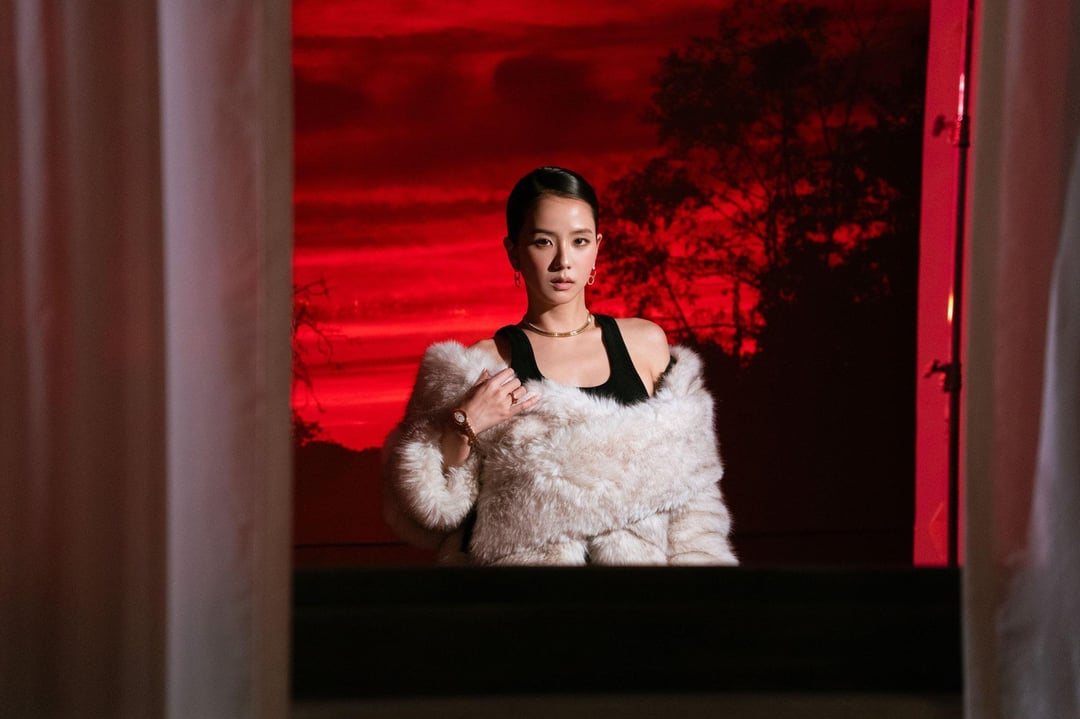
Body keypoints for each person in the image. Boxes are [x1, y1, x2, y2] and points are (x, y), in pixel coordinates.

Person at [381, 166, 737, 566]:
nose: (563, 261)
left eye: (579, 241)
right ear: (514, 251)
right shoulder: (482, 364)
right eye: (543, 242)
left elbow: (695, 497)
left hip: (638, 596)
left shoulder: (645, 345)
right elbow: (426, 513)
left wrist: (703, 588)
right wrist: (464, 425)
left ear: (597, 247)